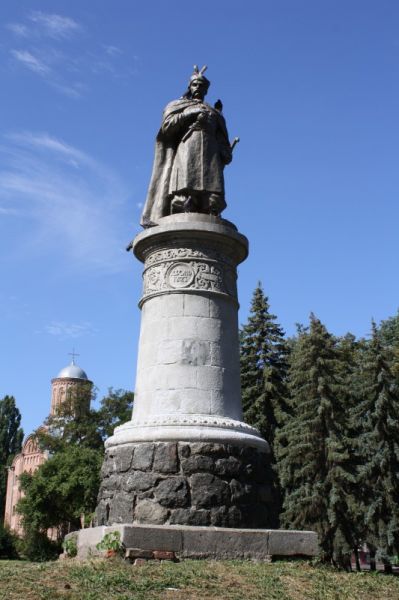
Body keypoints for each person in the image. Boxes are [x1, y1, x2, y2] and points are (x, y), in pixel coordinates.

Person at [141, 66, 233, 227]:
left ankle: (211, 209)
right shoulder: (178, 105)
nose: (198, 88)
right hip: (186, 149)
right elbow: (166, 127)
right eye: (195, 85)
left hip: (211, 155)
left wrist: (225, 151)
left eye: (201, 86)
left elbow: (223, 138)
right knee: (184, 188)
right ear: (190, 87)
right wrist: (189, 113)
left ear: (206, 90)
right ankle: (182, 207)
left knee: (213, 194)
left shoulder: (214, 113)